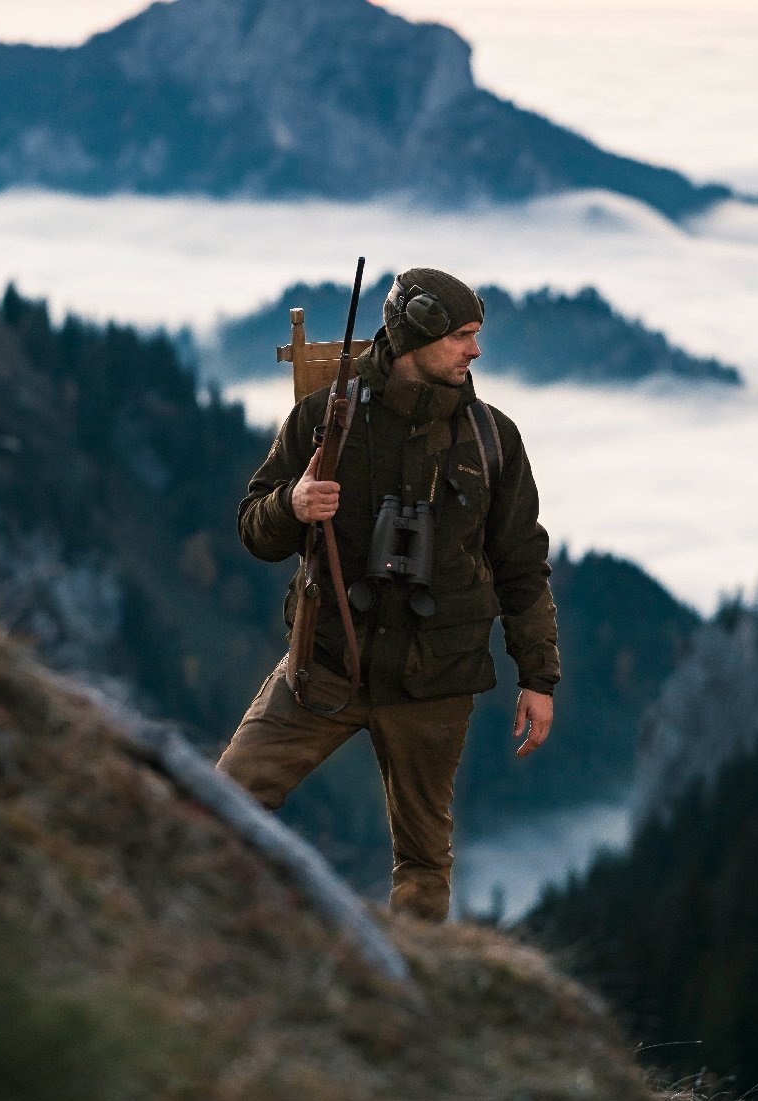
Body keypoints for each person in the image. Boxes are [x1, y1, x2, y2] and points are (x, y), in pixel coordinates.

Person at [217, 267, 560, 922]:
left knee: (425, 860)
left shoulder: (493, 441)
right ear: (416, 334)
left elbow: (521, 562)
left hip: (435, 683)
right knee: (224, 802)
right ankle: (231, 941)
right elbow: (254, 529)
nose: (475, 351)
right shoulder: (324, 420)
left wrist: (538, 676)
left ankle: (407, 995)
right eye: (462, 335)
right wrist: (292, 504)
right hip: (322, 665)